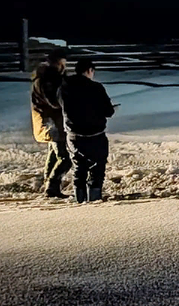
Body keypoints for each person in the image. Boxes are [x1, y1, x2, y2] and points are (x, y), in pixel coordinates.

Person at [58, 59, 116, 203]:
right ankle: (94, 199)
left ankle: (80, 198)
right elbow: (108, 111)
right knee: (97, 167)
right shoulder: (96, 87)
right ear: (89, 70)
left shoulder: (63, 87)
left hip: (73, 134)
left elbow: (60, 105)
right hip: (95, 134)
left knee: (79, 167)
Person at [31, 49, 71, 198]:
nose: (63, 67)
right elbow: (55, 102)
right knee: (65, 158)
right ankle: (52, 186)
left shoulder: (50, 79)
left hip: (52, 123)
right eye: (61, 64)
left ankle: (49, 185)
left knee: (54, 154)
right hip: (51, 124)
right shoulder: (47, 81)